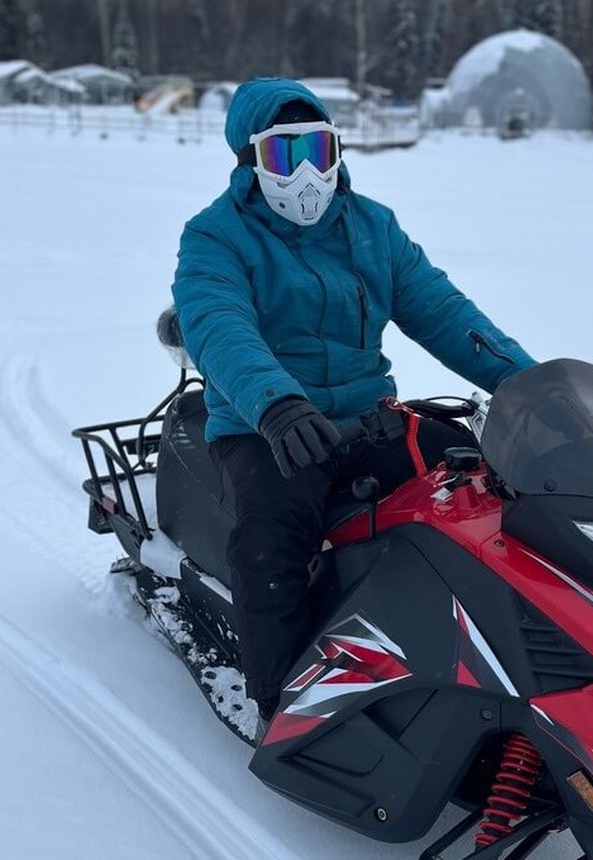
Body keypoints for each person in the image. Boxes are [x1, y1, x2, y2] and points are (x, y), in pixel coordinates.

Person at [171, 77, 535, 732]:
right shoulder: (215, 238)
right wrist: (277, 403)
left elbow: (446, 313)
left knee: (487, 496)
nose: (307, 173)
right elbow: (221, 327)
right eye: (285, 155)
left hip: (366, 419)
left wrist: (527, 383)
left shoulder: (373, 228)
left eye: (320, 149)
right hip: (266, 427)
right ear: (250, 162)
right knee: (270, 541)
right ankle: (279, 705)